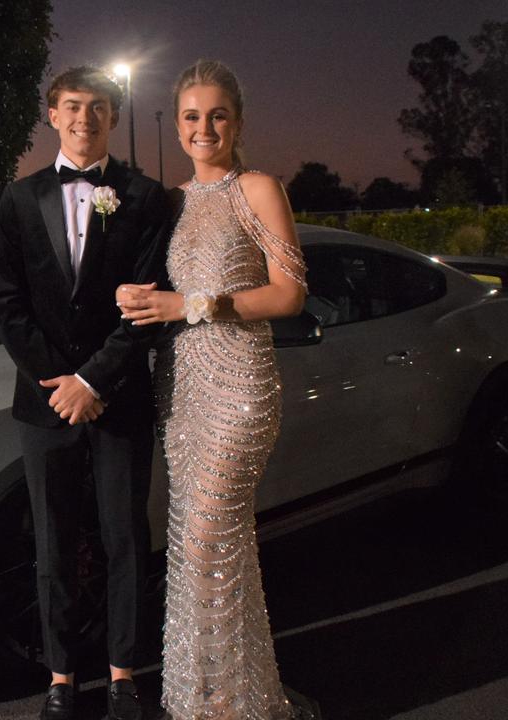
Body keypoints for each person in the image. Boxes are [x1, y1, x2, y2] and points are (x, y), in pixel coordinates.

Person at [116, 60, 309, 720]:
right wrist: (133, 294)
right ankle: (227, 696)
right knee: (214, 550)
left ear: (238, 122)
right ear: (177, 125)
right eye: (192, 116)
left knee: (205, 542)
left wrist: (192, 306)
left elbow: (288, 294)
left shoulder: (256, 188)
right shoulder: (169, 203)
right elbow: (151, 290)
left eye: (217, 114)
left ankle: (223, 704)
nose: (204, 128)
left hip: (239, 388)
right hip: (182, 391)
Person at [0, 66, 171, 720]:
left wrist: (94, 379)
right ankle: (60, 677)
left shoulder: (146, 198)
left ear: (113, 116)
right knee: (53, 543)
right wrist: (61, 384)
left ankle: (124, 673)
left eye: (97, 107)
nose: (84, 118)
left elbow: (145, 306)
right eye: (71, 106)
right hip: (43, 404)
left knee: (125, 537)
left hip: (118, 397)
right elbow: (8, 307)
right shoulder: (18, 200)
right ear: (52, 114)